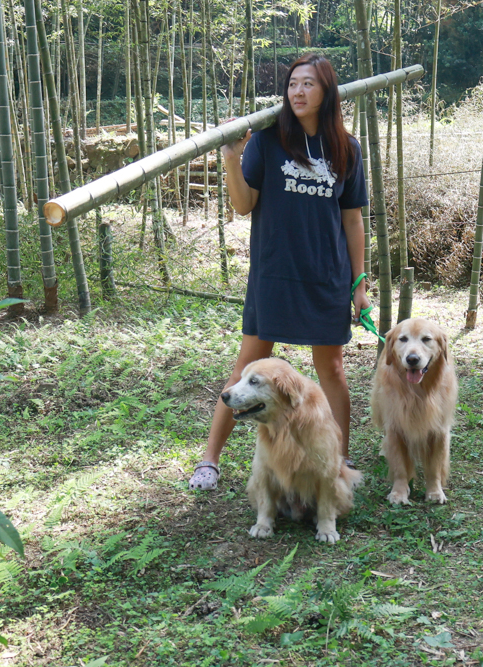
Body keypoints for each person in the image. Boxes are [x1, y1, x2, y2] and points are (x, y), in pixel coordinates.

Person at [189, 54, 370, 491]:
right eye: (292, 84)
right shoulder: (269, 141)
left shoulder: (347, 147)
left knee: (333, 369)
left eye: (308, 84)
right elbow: (242, 203)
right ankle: (209, 461)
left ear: (327, 91)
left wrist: (359, 283)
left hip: (326, 275)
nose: (298, 92)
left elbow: (352, 220)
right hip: (274, 274)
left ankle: (338, 457)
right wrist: (232, 157)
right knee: (246, 368)